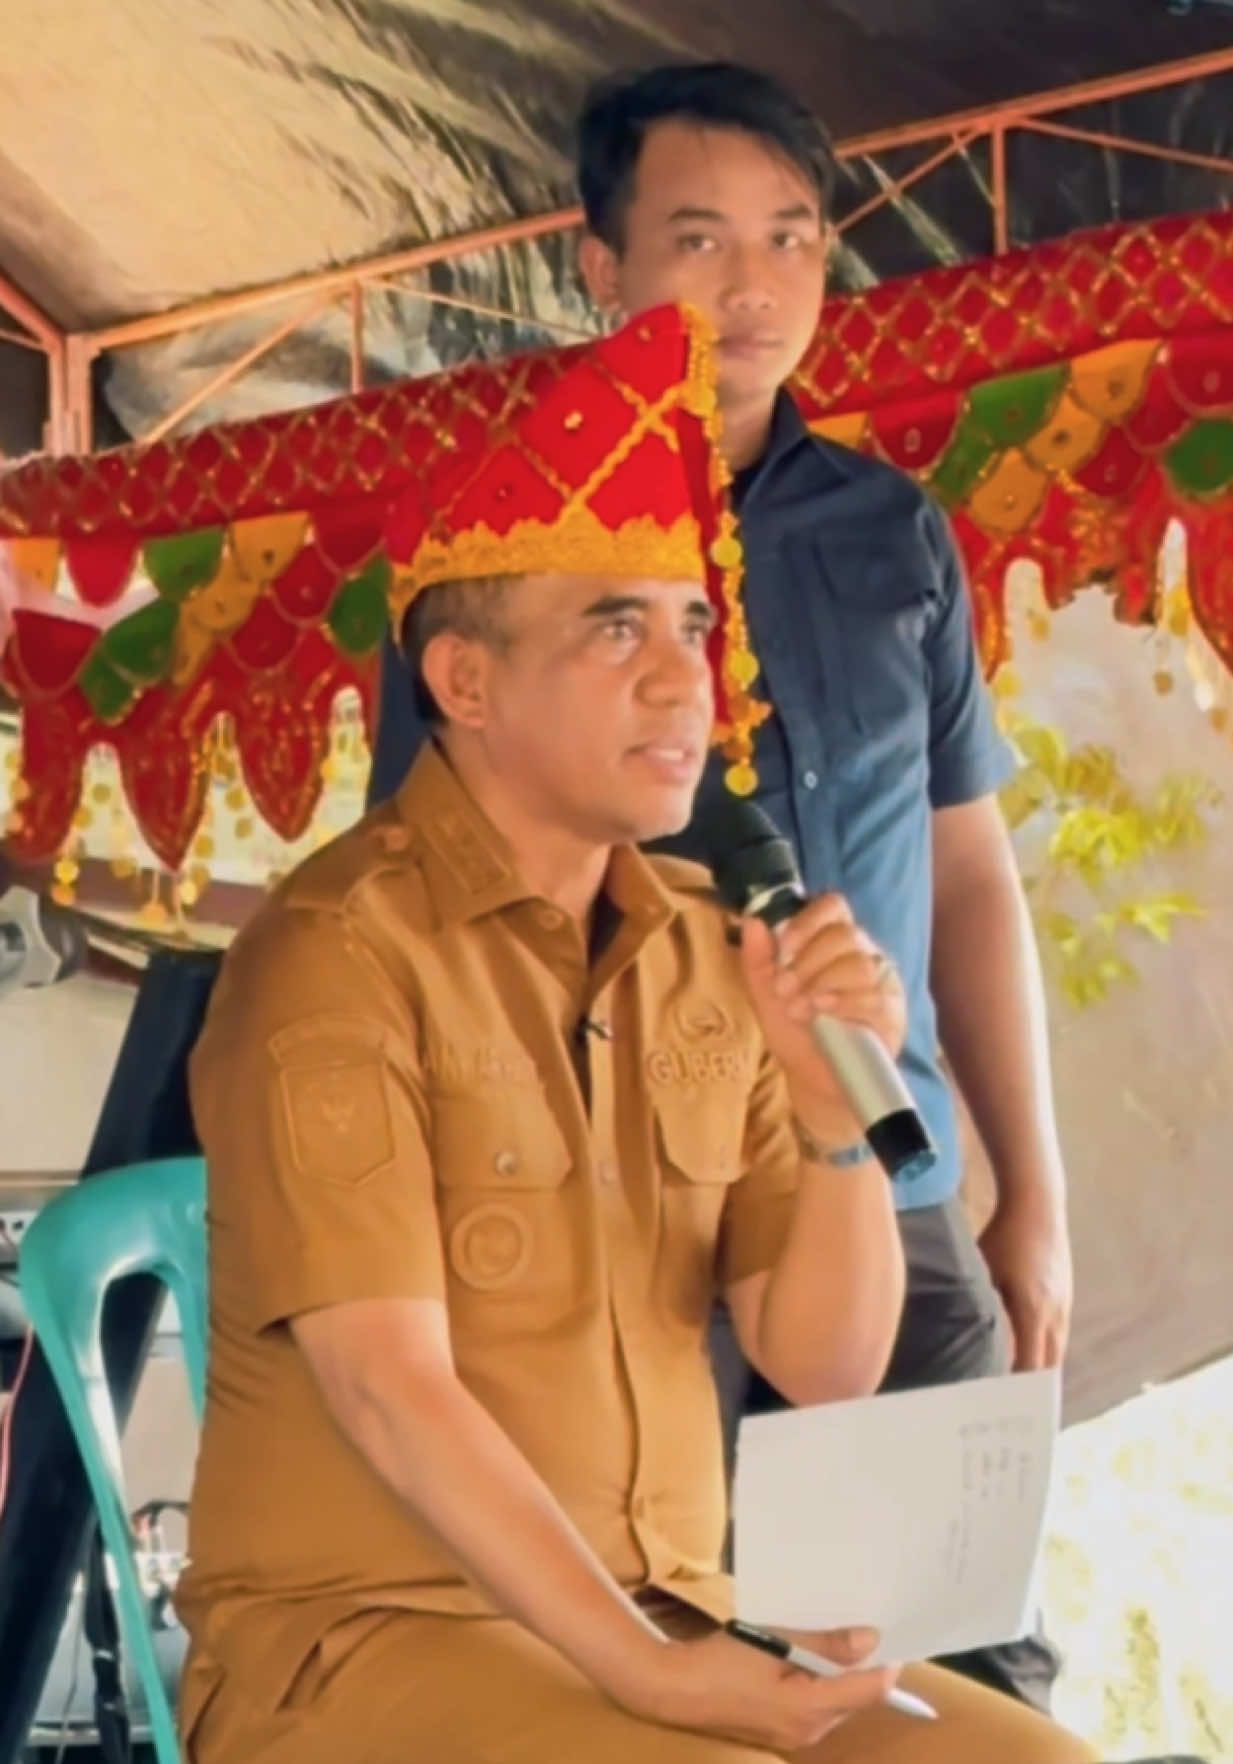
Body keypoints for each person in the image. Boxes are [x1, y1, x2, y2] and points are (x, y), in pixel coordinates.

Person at [178, 306, 1095, 1764]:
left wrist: (828, 1119)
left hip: (667, 1611)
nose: (689, 684)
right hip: (363, 1637)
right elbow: (386, 1386)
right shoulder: (336, 954)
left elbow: (824, 1365)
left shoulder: (699, 941)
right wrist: (655, 1680)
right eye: (615, 629)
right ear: (464, 686)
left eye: (689, 627)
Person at [368, 62, 1071, 1714]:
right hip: (630, 1216)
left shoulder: (891, 534)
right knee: (671, 1670)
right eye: (698, 238)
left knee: (952, 1679)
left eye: (789, 239)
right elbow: (431, 886)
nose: (753, 287)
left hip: (881, 1176)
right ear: (598, 267)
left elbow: (965, 878)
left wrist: (1028, 1188)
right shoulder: (483, 535)